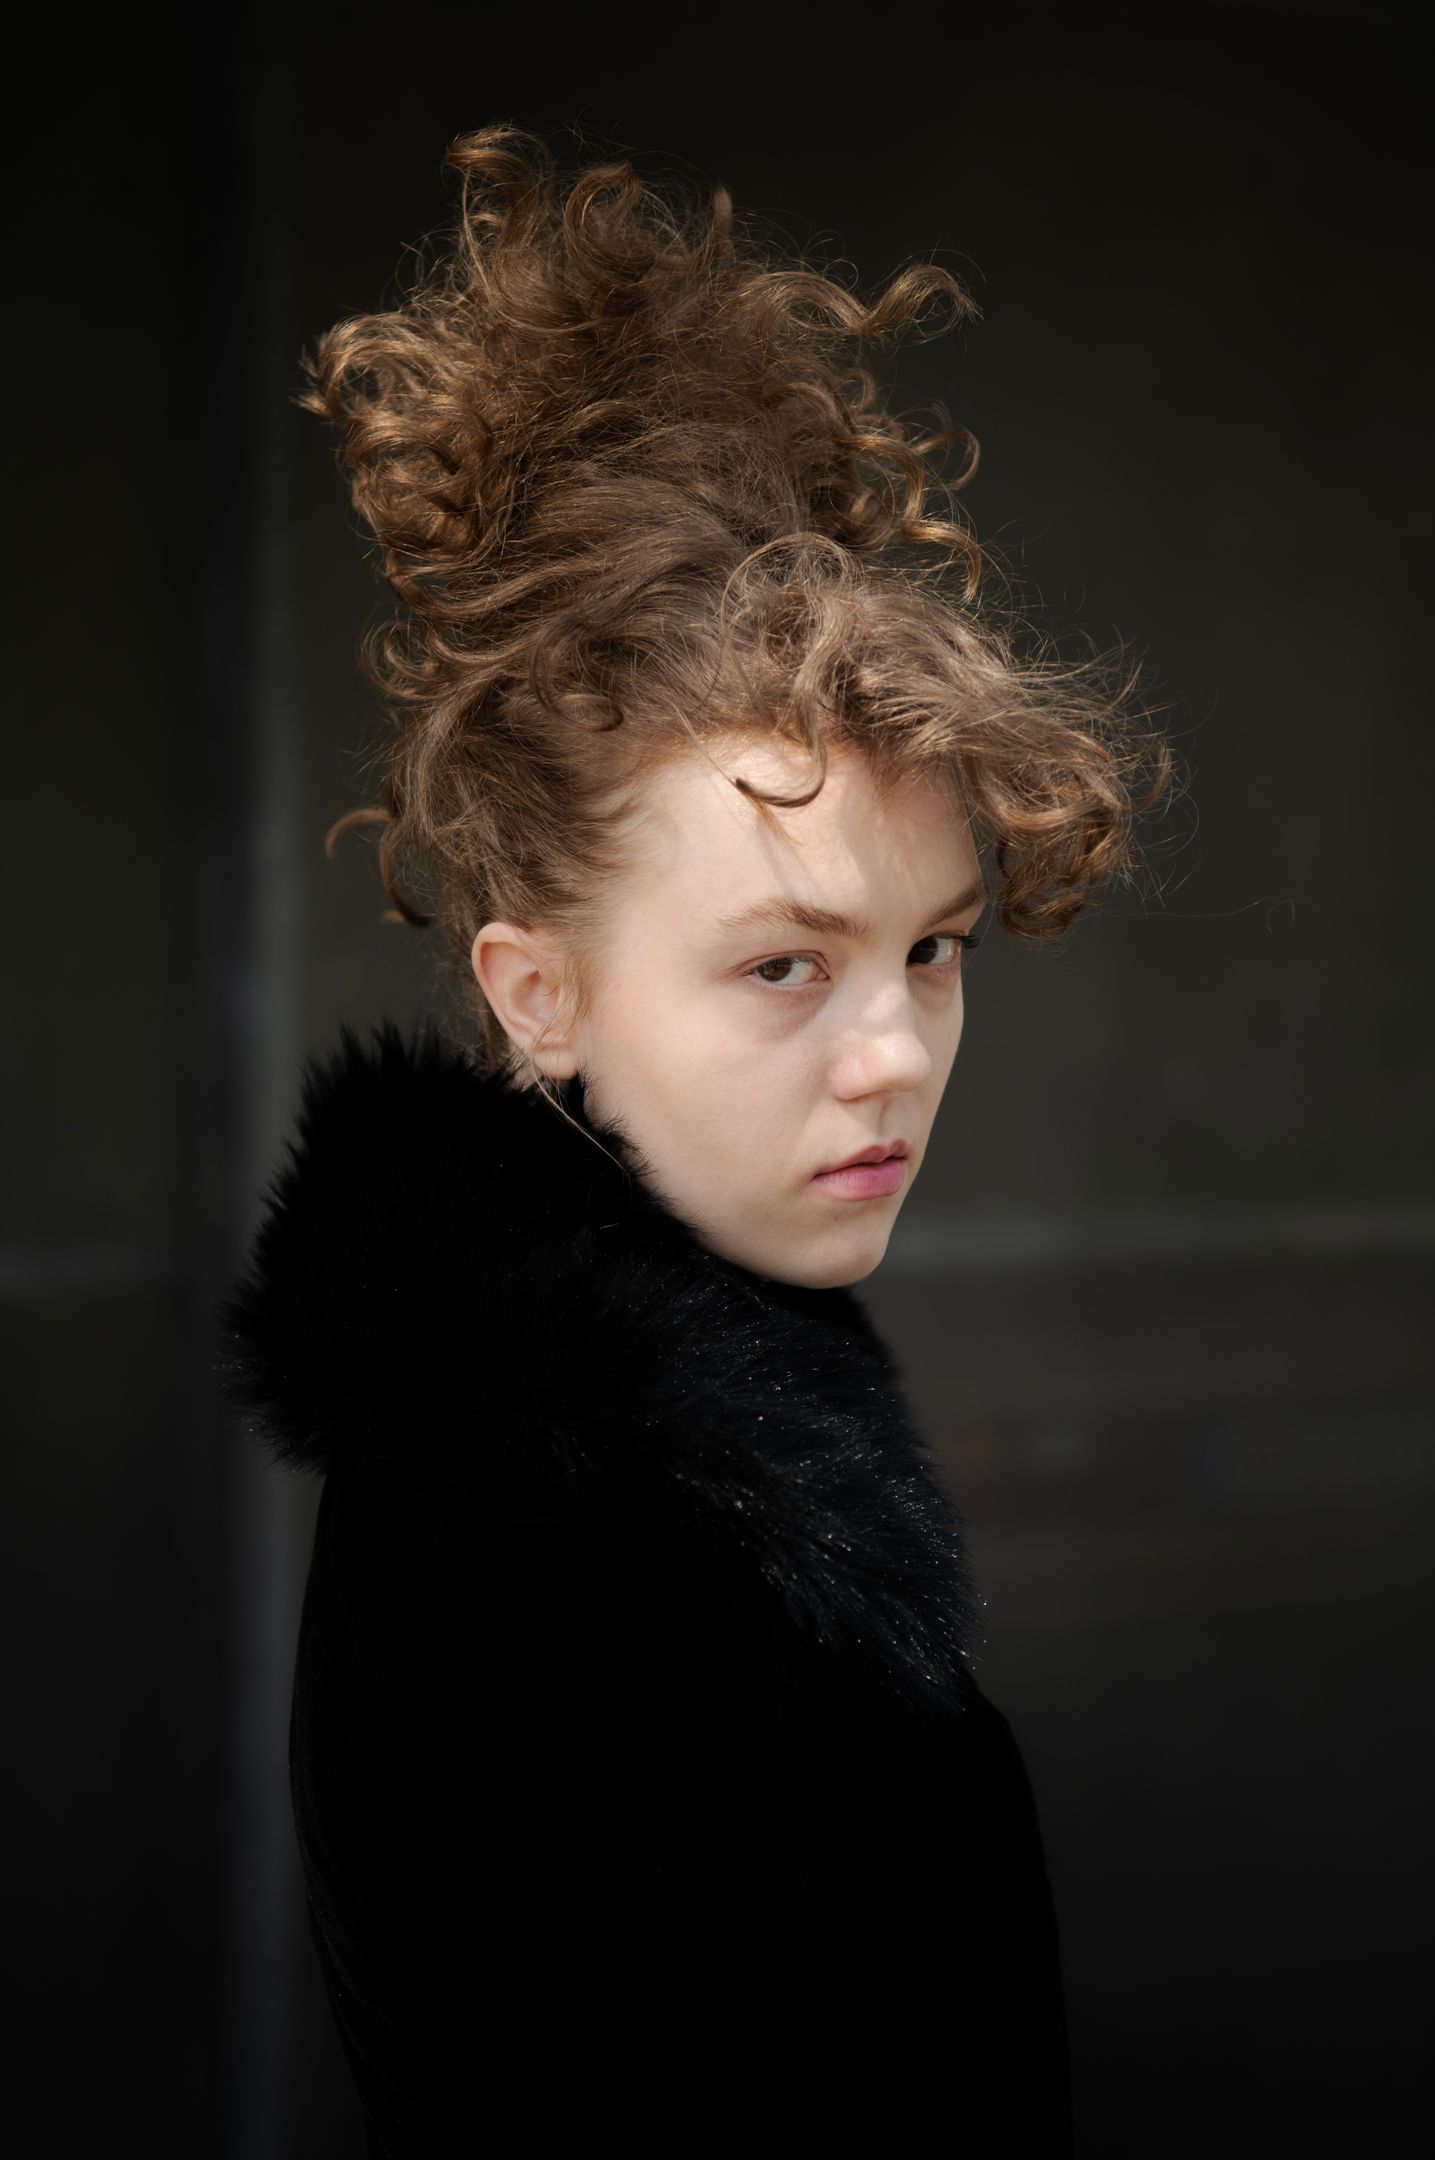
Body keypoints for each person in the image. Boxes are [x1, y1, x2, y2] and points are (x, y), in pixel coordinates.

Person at [217, 123, 1172, 2153]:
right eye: (783, 966)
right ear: (536, 993)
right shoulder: (545, 1557)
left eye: (933, 950)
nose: (895, 1054)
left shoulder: (652, 1438)